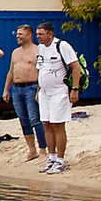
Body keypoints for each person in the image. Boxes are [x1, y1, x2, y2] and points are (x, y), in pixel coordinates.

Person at [33, 23, 83, 173]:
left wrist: (75, 89)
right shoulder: (40, 48)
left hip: (59, 91)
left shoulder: (62, 46)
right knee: (46, 124)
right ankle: (51, 157)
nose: (38, 37)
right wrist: (38, 90)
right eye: (37, 34)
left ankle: (61, 160)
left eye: (41, 34)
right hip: (44, 93)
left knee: (57, 125)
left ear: (50, 34)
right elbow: (40, 70)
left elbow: (76, 67)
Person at [7, 25, 44, 162]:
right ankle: (31, 150)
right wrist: (6, 89)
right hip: (17, 88)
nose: (17, 36)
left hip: (31, 87)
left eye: (20, 34)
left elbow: (41, 72)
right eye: (17, 34)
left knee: (35, 119)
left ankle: (42, 149)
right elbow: (11, 71)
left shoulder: (37, 51)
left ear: (29, 35)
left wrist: (39, 90)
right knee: (23, 120)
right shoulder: (15, 52)